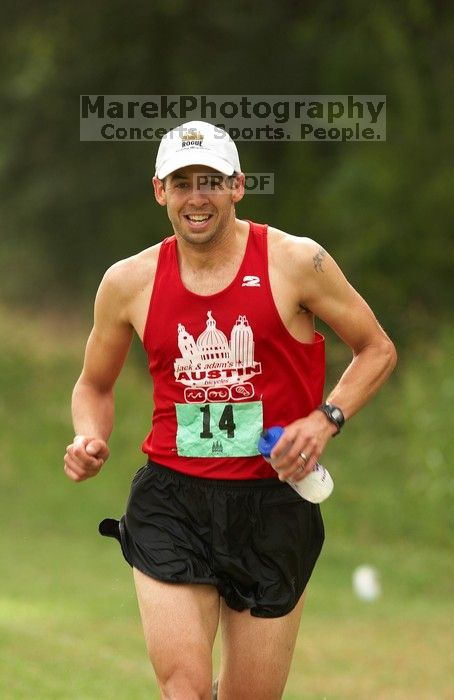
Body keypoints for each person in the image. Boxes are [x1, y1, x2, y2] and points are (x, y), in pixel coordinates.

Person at [64, 120, 397, 700]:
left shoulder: (296, 261)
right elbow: (94, 384)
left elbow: (377, 349)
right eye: (183, 182)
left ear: (238, 186)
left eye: (212, 181)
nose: (198, 196)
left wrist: (326, 419)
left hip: (273, 504)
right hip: (172, 499)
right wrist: (89, 436)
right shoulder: (128, 282)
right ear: (160, 191)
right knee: (183, 689)